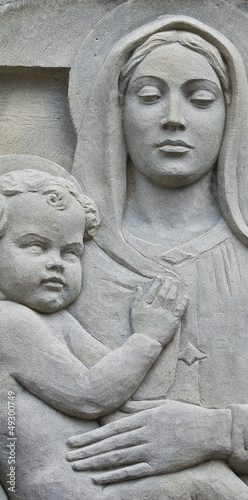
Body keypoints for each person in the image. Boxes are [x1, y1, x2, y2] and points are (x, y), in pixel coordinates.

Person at [63, 15, 248, 499]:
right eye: (147, 96)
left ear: (233, 113)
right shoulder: (66, 257)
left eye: (200, 98)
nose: (173, 117)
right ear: (114, 110)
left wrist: (217, 433)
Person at [0, 168, 189, 499]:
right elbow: (90, 396)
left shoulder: (56, 321)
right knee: (208, 482)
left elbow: (123, 386)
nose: (57, 263)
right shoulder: (9, 322)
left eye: (70, 252)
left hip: (99, 482)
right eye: (35, 247)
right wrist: (147, 338)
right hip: (67, 490)